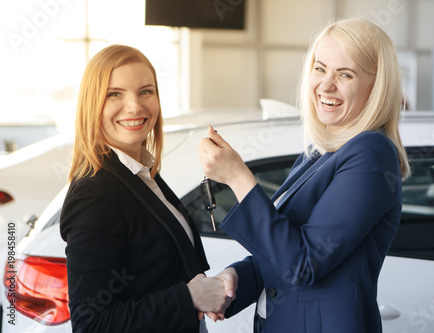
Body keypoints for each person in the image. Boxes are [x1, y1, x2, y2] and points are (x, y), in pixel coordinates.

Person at [199, 18, 411, 332]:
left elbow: (303, 264)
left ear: (376, 86)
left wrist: (236, 176)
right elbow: (284, 250)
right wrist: (236, 278)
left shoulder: (371, 152)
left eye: (345, 74)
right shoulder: (321, 151)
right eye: (320, 68)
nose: (326, 85)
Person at [60, 44, 232, 333]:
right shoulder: (95, 193)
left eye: (145, 91)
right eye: (114, 93)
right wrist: (190, 297)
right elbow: (92, 325)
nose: (135, 107)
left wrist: (203, 288)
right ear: (92, 104)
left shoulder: (141, 174)